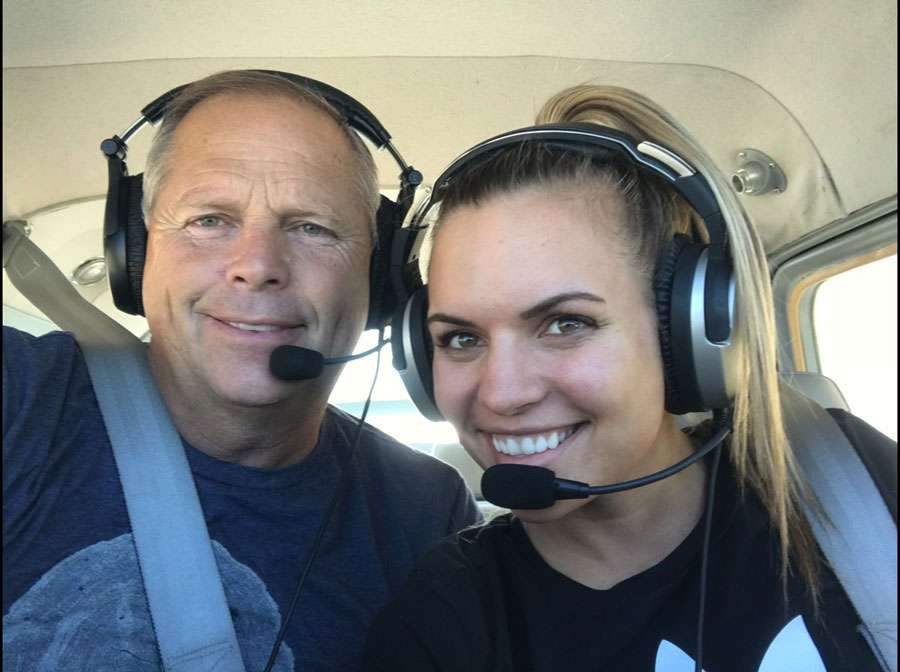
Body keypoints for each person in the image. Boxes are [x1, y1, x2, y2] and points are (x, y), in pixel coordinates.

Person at [362, 85, 894, 671]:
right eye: (460, 339)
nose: (502, 394)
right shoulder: (444, 621)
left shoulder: (850, 485)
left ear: (684, 334)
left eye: (565, 323)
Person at [3, 70, 480, 672]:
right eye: (209, 220)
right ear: (138, 250)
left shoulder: (425, 511)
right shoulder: (17, 397)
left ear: (379, 276)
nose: (255, 266)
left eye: (312, 227)